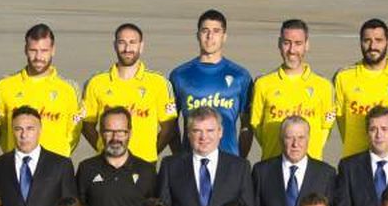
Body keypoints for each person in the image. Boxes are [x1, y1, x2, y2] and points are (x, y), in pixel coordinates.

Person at [158, 106, 254, 206]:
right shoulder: (170, 166)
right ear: (188, 133)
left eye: (210, 131)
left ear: (220, 132)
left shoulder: (239, 167)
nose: (204, 137)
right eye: (197, 131)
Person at [81, 22, 177, 164]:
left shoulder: (159, 83)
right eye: (122, 43)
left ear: (141, 46)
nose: (127, 48)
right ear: (115, 45)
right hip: (106, 163)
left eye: (132, 42)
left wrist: (151, 152)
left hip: (146, 165)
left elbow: (169, 127)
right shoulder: (96, 83)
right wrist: (102, 148)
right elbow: (86, 124)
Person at [0, 23, 83, 160]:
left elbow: (74, 132)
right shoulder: (4, 86)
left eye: (44, 51)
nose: (38, 57)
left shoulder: (69, 89)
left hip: (54, 170)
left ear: (53, 50)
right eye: (33, 50)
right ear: (25, 50)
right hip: (17, 168)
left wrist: (59, 159)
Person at [169, 9, 253, 156]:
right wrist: (180, 156)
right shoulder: (180, 75)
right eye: (205, 31)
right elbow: (170, 123)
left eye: (216, 31)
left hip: (228, 162)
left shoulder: (240, 76)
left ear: (224, 36)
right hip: (190, 161)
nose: (210, 36)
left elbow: (246, 125)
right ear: (197, 35)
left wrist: (240, 160)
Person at [249, 19, 336, 159]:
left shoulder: (324, 86)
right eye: (286, 43)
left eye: (298, 44)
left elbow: (327, 126)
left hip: (310, 169)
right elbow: (257, 125)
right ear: (279, 44)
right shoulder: (263, 84)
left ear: (307, 45)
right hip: (273, 167)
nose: (292, 50)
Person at [75, 106, 157, 206]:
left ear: (129, 133)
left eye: (121, 132)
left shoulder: (146, 171)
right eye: (109, 132)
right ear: (100, 133)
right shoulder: (86, 169)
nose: (115, 138)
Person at [333, 18, 388, 156]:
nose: (373, 46)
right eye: (367, 40)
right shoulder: (344, 77)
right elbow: (342, 122)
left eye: (378, 40)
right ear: (360, 42)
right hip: (354, 163)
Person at [251, 115, 336, 206]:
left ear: (308, 139)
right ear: (281, 139)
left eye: (301, 138)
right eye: (289, 138)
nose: (295, 144)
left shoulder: (326, 174)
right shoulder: (262, 171)